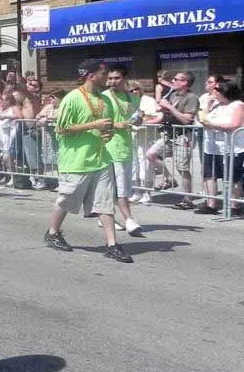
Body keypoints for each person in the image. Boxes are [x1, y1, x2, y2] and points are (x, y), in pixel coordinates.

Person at [43, 60, 131, 263]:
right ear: (91, 75)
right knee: (66, 200)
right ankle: (53, 232)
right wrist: (94, 125)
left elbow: (106, 127)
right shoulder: (72, 98)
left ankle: (112, 245)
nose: (107, 77)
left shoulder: (105, 99)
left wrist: (108, 133)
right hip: (76, 161)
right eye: (104, 73)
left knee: (105, 202)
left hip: (101, 159)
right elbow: (61, 128)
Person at [102, 65, 144, 236]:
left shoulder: (133, 97)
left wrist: (138, 120)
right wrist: (115, 124)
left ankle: (104, 215)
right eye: (110, 78)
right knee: (121, 188)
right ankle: (129, 219)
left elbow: (136, 119)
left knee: (120, 186)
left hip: (127, 145)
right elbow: (97, 120)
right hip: (110, 146)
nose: (113, 81)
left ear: (125, 79)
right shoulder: (104, 97)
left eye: (116, 78)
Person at [150, 71, 200, 210]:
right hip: (169, 134)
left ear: (185, 82)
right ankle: (169, 179)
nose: (173, 81)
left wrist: (170, 107)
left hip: (183, 136)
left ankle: (188, 199)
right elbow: (167, 111)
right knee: (151, 154)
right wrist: (163, 109)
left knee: (182, 168)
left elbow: (187, 120)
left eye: (176, 79)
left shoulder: (191, 98)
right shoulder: (173, 94)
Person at [197, 81, 244, 215]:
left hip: (232, 146)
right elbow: (203, 118)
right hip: (212, 146)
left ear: (226, 92)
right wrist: (207, 106)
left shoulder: (238, 105)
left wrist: (213, 125)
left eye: (218, 90)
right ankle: (211, 203)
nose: (215, 92)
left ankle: (235, 205)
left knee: (233, 176)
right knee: (209, 174)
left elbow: (235, 124)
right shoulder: (216, 105)